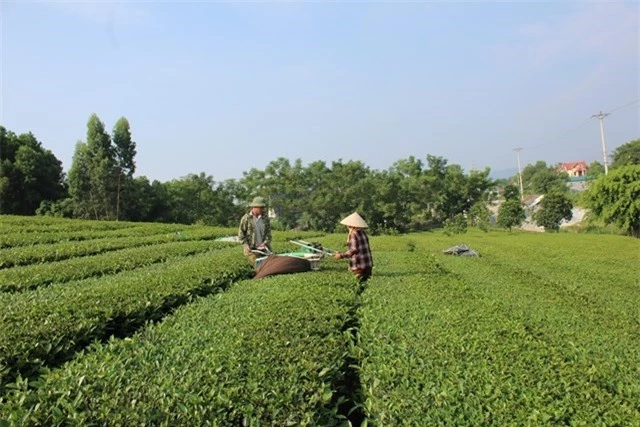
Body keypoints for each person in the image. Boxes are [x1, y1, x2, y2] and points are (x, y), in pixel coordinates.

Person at [333, 212, 373, 282]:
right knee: (364, 286)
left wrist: (341, 255)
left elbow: (354, 249)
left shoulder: (354, 233)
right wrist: (341, 253)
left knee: (357, 287)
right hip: (367, 265)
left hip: (359, 266)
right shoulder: (363, 232)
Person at [238, 196, 272, 265]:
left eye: (263, 208)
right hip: (251, 250)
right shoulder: (246, 218)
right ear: (255, 207)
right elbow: (241, 234)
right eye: (261, 208)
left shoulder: (265, 218)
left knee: (269, 265)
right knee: (256, 266)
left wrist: (265, 243)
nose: (262, 209)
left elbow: (268, 234)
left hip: (264, 249)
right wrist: (245, 245)